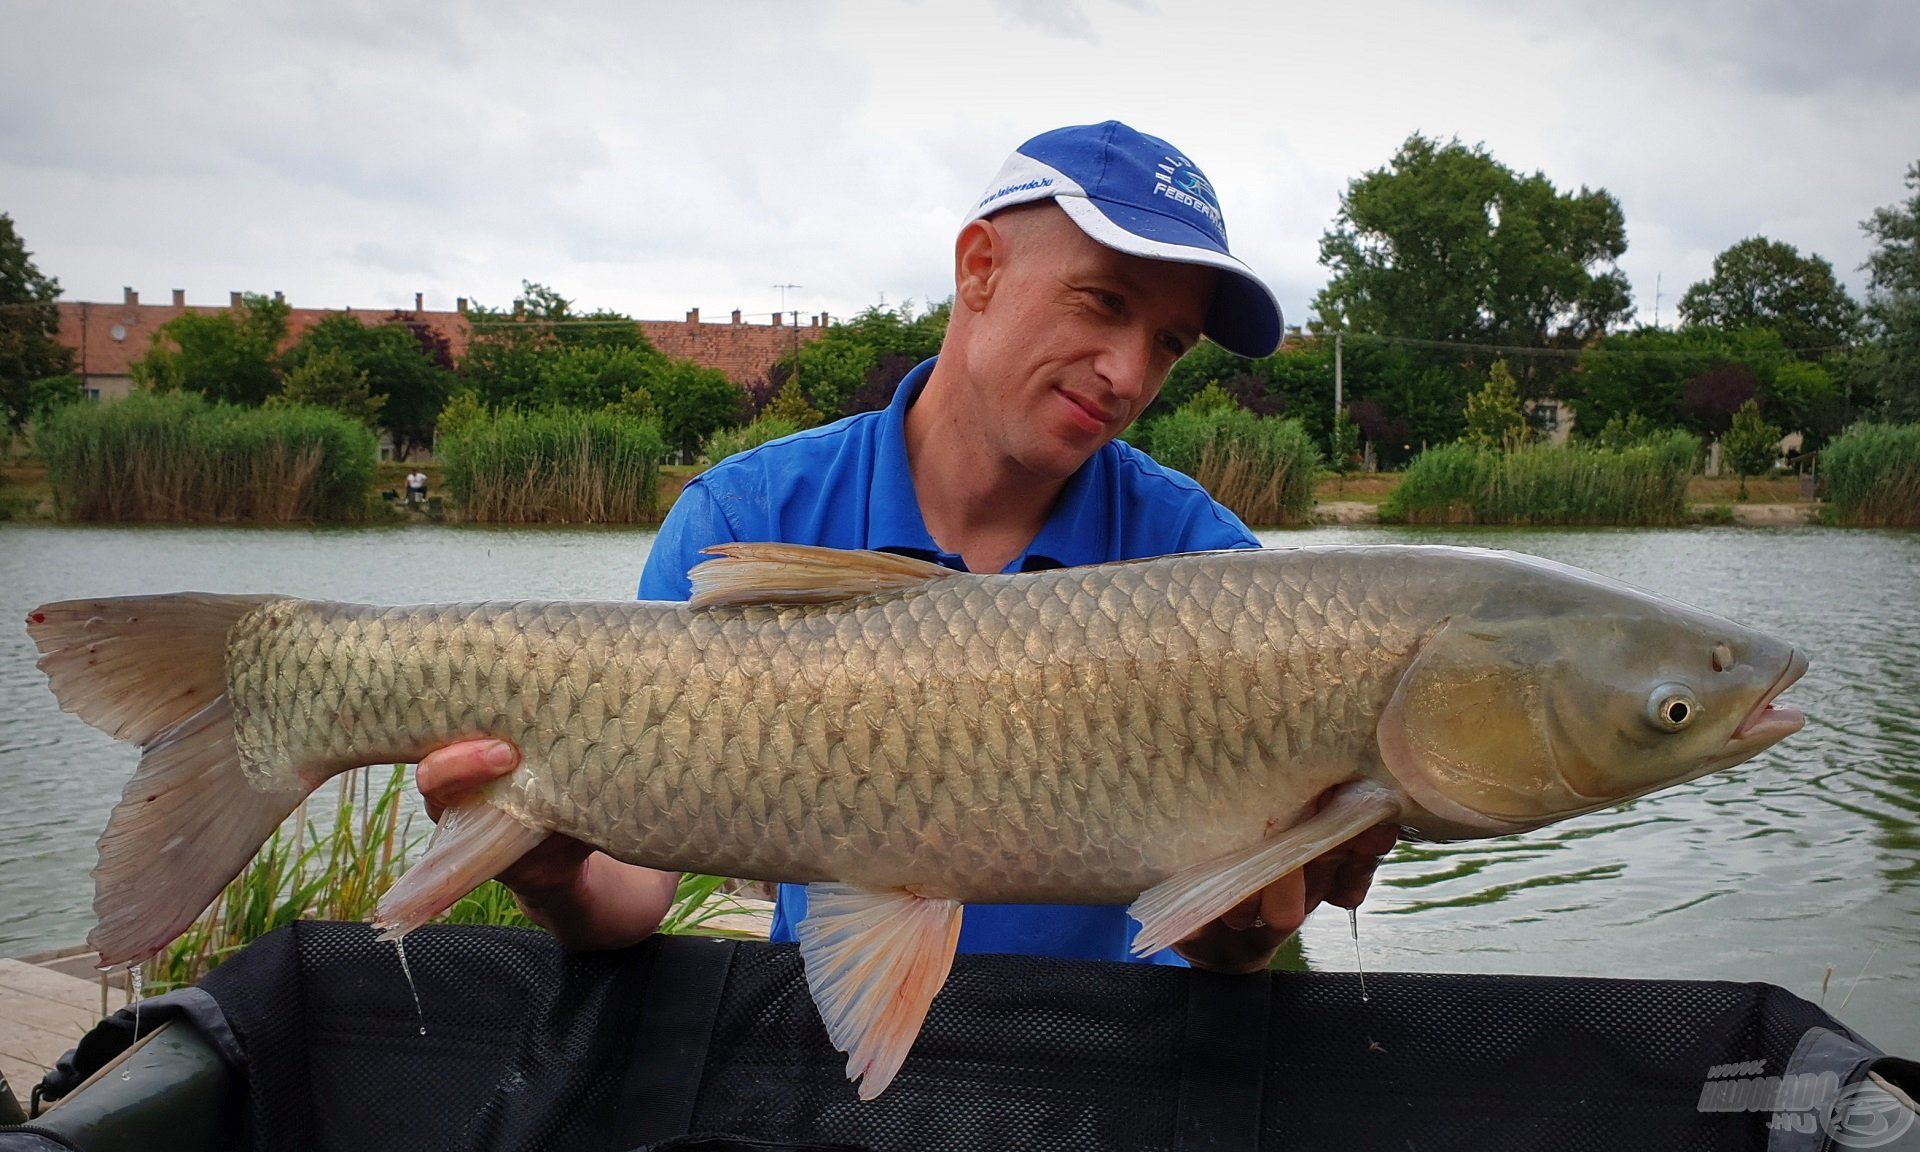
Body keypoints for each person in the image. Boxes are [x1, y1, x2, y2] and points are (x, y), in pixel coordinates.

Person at [417, 121, 1398, 973]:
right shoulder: (746, 517)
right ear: (980, 268)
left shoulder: (1210, 569)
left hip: (1098, 1071)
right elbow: (629, 898)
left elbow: (1225, 950)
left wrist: (1240, 939)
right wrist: (550, 879)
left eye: (1170, 343)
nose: (1128, 373)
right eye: (1103, 303)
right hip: (812, 1061)